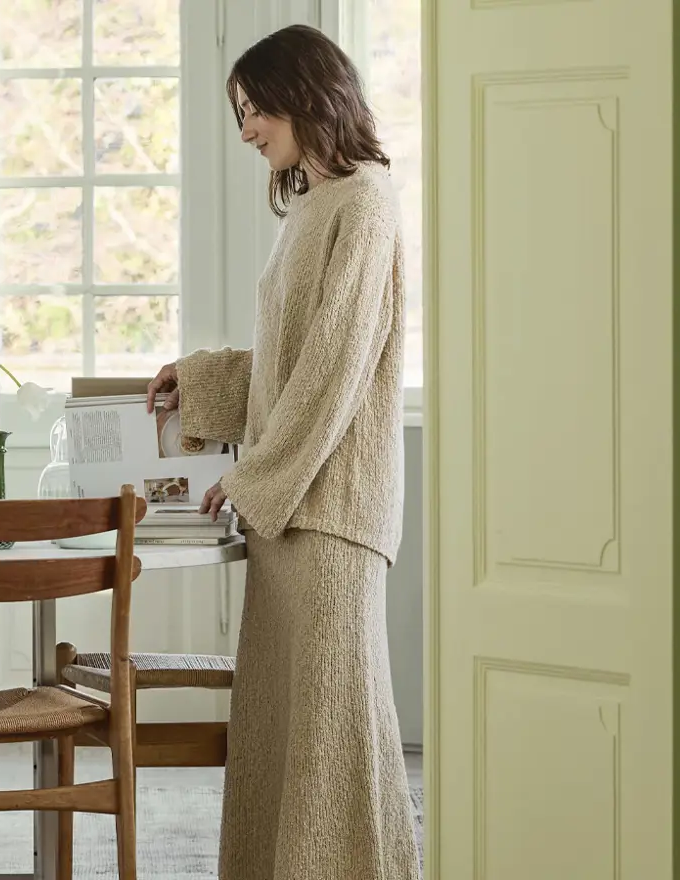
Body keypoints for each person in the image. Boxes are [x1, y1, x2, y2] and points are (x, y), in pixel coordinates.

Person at [146, 24, 420, 880]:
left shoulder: (365, 200)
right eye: (240, 114)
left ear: (307, 95)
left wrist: (255, 473)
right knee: (286, 730)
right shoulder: (314, 205)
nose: (247, 131)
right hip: (294, 509)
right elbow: (300, 354)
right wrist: (203, 380)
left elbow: (337, 365)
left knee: (339, 733)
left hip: (331, 512)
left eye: (255, 109)